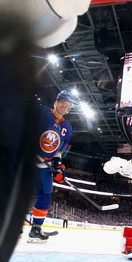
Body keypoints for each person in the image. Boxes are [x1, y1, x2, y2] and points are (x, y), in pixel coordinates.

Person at [28, 90, 75, 243]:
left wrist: (58, 166)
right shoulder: (42, 112)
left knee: (46, 195)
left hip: (44, 166)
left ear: (69, 109)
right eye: (62, 102)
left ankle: (36, 229)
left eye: (67, 105)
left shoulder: (67, 128)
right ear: (56, 101)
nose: (64, 106)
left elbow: (60, 151)